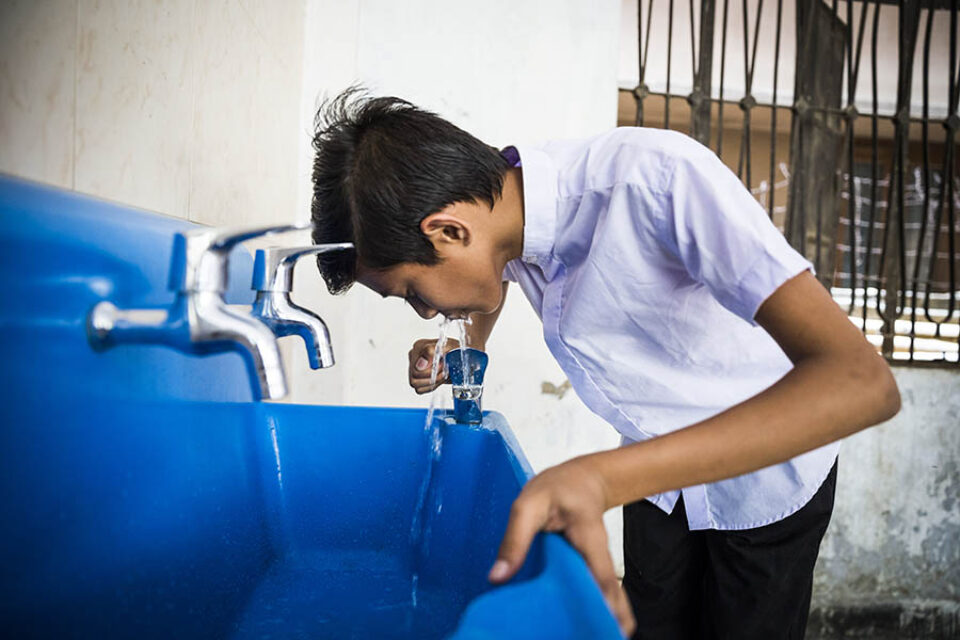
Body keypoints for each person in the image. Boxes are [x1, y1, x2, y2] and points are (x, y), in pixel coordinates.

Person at [308, 88, 900, 639]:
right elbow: (500, 268)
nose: (422, 311)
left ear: (448, 230)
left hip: (767, 473)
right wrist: (468, 346)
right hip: (656, 473)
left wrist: (597, 478)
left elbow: (862, 384)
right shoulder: (506, 211)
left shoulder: (659, 183)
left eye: (412, 291)